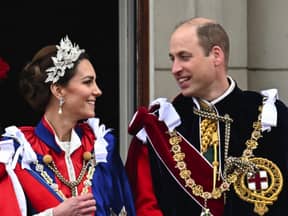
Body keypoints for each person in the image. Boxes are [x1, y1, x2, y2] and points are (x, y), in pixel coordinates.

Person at [125, 17, 288, 216]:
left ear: (216, 56)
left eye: (184, 57)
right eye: (172, 58)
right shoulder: (159, 126)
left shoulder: (270, 117)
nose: (175, 69)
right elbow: (145, 206)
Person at [0, 36, 136, 216]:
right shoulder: (19, 154)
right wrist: (54, 214)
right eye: (88, 82)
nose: (97, 91)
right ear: (58, 90)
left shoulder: (100, 147)